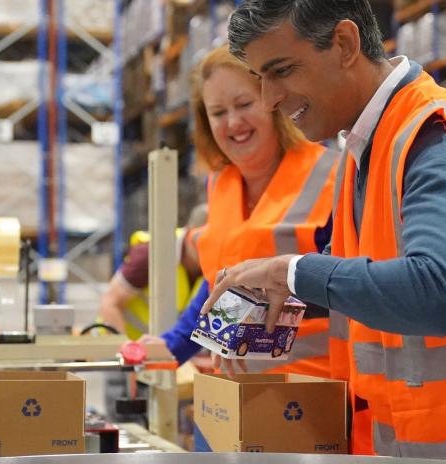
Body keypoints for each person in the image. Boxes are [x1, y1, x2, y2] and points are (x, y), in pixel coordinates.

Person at [205, 0, 446, 464]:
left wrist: (292, 272)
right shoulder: (365, 149)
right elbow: (367, 280)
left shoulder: (438, 137)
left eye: (280, 71)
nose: (269, 98)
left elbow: (437, 293)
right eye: (260, 77)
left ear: (344, 44)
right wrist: (268, 296)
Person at [142, 44, 338, 379]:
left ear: (274, 101)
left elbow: (353, 285)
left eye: (244, 104)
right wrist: (172, 347)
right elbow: (220, 286)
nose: (233, 122)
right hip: (237, 390)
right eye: (217, 113)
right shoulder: (220, 184)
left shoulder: (332, 176)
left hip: (316, 393)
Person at [97, 205, 207, 340]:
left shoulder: (210, 265)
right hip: (118, 347)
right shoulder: (151, 253)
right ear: (190, 234)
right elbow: (110, 303)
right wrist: (127, 351)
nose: (211, 251)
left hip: (157, 349)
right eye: (206, 243)